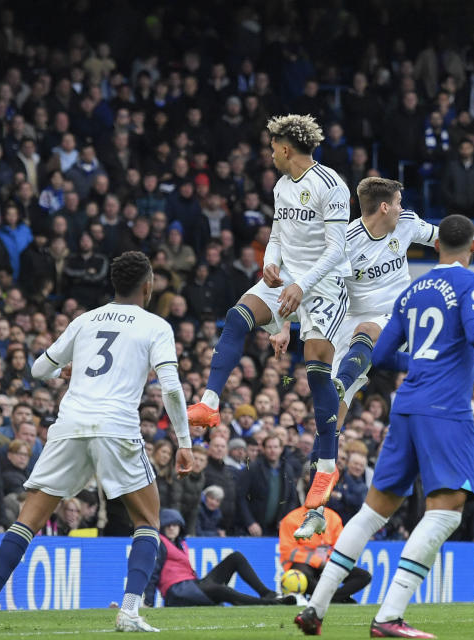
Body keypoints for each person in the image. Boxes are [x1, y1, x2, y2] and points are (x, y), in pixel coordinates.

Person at [294, 215, 474, 637]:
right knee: (447, 512)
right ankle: (389, 615)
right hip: (444, 410)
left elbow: (383, 353)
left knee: (373, 511)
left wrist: (422, 362)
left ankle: (315, 608)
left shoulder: (413, 289)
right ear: (472, 247)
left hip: (406, 405)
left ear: (437, 247)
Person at [286, 176, 474, 539]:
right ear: (384, 206)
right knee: (329, 420)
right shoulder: (342, 242)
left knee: (368, 333)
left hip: (400, 318)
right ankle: (316, 511)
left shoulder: (405, 225)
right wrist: (282, 325)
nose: (404, 207)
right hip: (350, 324)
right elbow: (308, 281)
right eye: (399, 201)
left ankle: (341, 380)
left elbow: (454, 238)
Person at [0, 251, 194, 634]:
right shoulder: (155, 326)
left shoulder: (85, 320)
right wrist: (183, 440)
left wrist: (63, 371)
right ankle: (130, 612)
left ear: (113, 285)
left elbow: (38, 369)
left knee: (27, 520)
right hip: (116, 427)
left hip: (69, 424)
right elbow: (171, 388)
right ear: (148, 287)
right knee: (148, 521)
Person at [186, 115, 350, 530]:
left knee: (316, 373)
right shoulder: (281, 186)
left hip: (326, 287)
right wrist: (271, 264)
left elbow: (336, 250)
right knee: (237, 316)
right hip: (286, 281)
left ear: (287, 148)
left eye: (272, 146)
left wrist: (299, 292)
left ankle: (326, 466)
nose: (270, 153)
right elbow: (277, 233)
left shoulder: (331, 186)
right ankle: (209, 402)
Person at [144, 508, 292, 607]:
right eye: (168, 525)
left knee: (236, 557)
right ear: (162, 527)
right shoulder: (159, 543)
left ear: (180, 527)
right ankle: (270, 603)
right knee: (221, 591)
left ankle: (266, 593)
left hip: (193, 585)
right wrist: (149, 603)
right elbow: (152, 573)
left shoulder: (181, 544)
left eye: (175, 525)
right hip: (176, 592)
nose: (171, 528)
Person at [279, 506, 372, 603]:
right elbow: (288, 551)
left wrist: (330, 562)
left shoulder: (333, 517)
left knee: (364, 576)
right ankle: (337, 598)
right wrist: (318, 562)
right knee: (303, 576)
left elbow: (341, 547)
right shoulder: (291, 519)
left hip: (327, 564)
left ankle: (331, 599)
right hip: (304, 565)